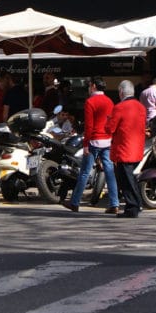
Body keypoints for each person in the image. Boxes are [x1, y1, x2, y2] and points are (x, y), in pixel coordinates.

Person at [63, 77, 119, 215]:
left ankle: (75, 202)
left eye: (89, 86)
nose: (88, 88)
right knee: (109, 172)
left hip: (94, 140)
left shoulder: (90, 101)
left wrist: (86, 143)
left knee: (84, 172)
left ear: (93, 86)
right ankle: (114, 203)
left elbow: (89, 125)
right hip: (107, 139)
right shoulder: (109, 101)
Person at [109, 80, 146, 219]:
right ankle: (137, 204)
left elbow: (110, 128)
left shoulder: (119, 107)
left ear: (121, 92)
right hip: (137, 147)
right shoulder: (141, 107)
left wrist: (108, 120)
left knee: (126, 180)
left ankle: (132, 207)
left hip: (123, 149)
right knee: (131, 178)